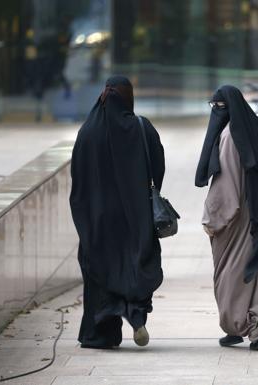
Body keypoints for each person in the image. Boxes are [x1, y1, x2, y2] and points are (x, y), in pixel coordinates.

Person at [69, 75, 165, 349]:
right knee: (134, 264)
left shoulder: (87, 132)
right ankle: (136, 317)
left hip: (98, 220)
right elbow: (157, 167)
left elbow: (78, 178)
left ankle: (100, 333)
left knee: (99, 269)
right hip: (135, 217)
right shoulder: (141, 127)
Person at [195, 85, 258, 352]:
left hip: (239, 220)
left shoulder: (228, 138)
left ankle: (235, 326)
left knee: (232, 275)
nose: (216, 113)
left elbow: (226, 190)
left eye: (218, 108)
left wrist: (212, 221)